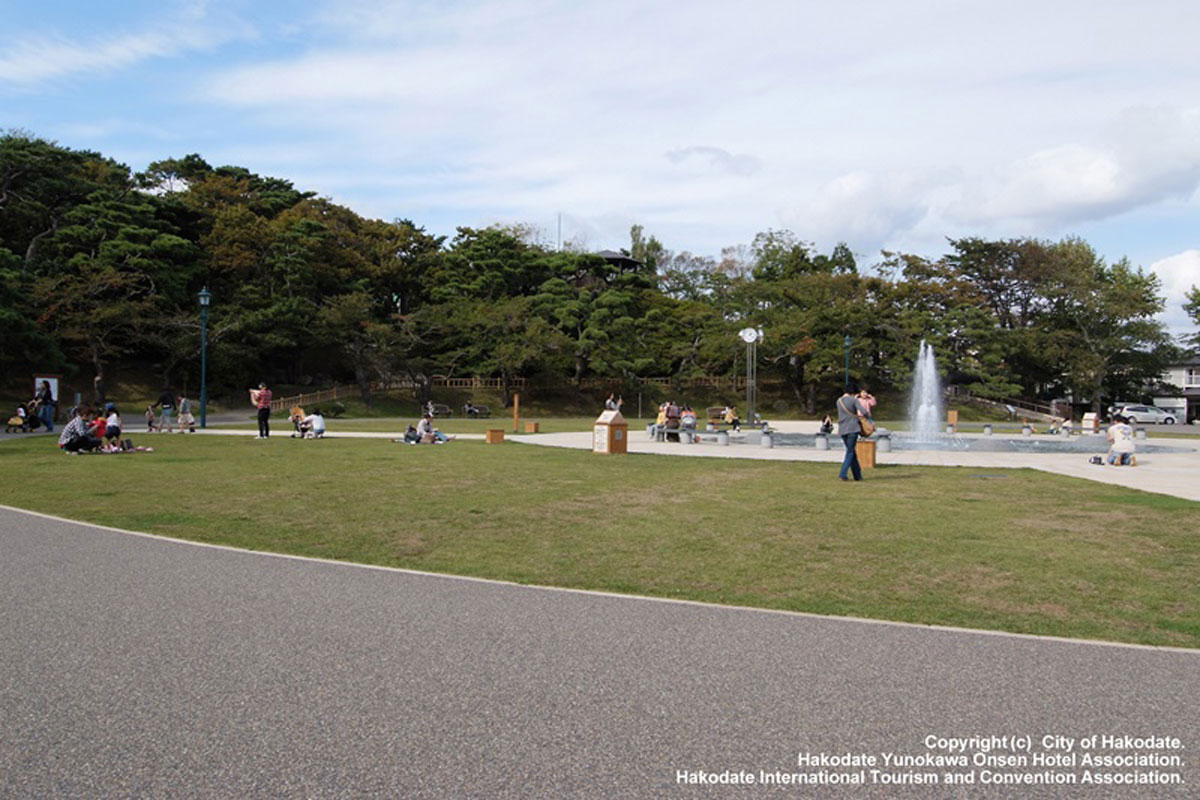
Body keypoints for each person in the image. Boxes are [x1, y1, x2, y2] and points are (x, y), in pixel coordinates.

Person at [836, 384, 869, 481]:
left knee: (852, 452)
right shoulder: (854, 400)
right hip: (853, 428)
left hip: (842, 429)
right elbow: (864, 411)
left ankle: (857, 475)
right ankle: (843, 473)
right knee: (850, 452)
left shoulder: (838, 401)